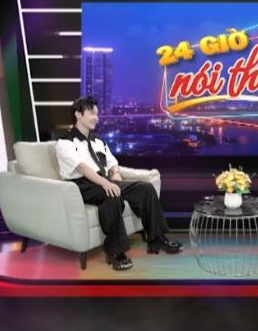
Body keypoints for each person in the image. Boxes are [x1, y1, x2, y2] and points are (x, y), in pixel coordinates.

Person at [55, 96, 182, 271]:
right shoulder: (65, 142)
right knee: (112, 196)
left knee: (145, 188)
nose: (96, 118)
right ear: (78, 114)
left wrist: (115, 173)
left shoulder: (98, 141)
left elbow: (112, 163)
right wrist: (106, 183)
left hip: (103, 181)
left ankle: (157, 239)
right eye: (92, 113)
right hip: (81, 186)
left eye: (97, 114)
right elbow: (82, 168)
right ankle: (116, 252)